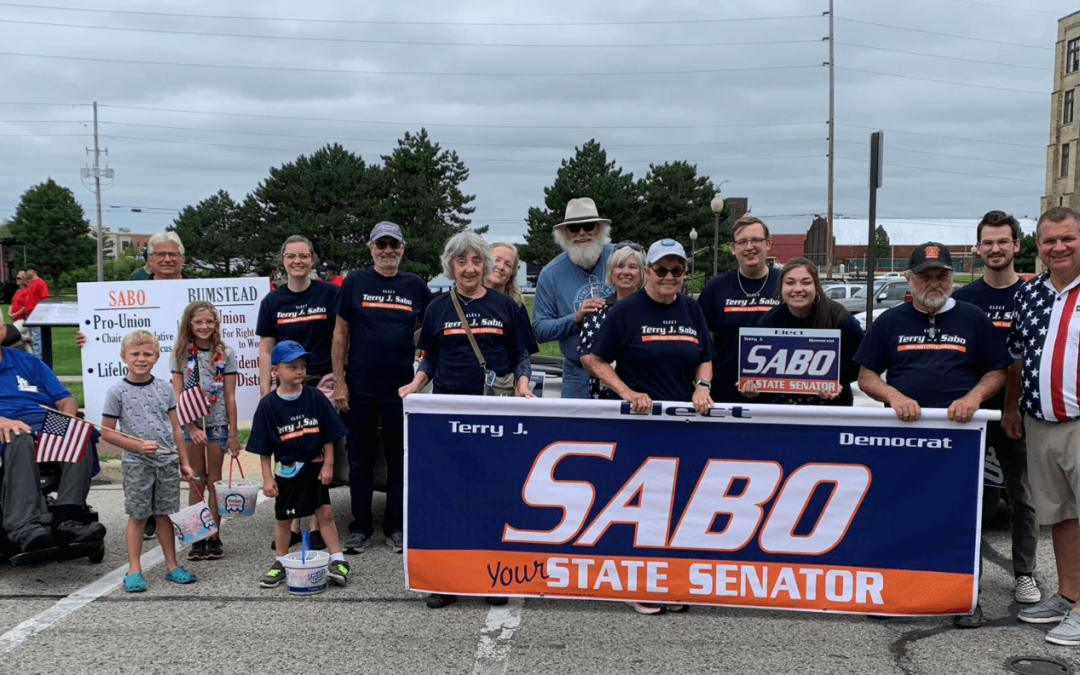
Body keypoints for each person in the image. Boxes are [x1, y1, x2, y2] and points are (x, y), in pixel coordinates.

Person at [854, 242, 1010, 628]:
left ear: (952, 277)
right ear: (910, 279)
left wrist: (973, 398)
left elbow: (998, 370)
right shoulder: (890, 320)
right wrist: (893, 395)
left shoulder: (973, 318)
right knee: (900, 511)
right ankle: (894, 593)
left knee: (960, 516)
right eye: (925, 275)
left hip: (961, 439)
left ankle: (965, 598)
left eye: (941, 275)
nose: (934, 282)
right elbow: (866, 375)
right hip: (904, 437)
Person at [400, 231, 536, 609]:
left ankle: (493, 578)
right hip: (448, 418)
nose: (470, 268)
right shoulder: (438, 309)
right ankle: (444, 580)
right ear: (451, 267)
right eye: (462, 262)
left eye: (476, 261)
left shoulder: (507, 306)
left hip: (495, 416)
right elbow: (428, 358)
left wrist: (523, 386)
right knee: (450, 495)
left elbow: (521, 356)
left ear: (486, 266)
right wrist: (415, 383)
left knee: (493, 493)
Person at [581, 239, 713, 615]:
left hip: (685, 425)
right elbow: (595, 359)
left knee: (681, 505)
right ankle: (637, 585)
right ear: (648, 271)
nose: (669, 276)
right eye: (661, 269)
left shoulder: (692, 309)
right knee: (642, 508)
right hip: (640, 426)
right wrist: (627, 391)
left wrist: (702, 386)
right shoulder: (625, 310)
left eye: (677, 270)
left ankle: (671, 582)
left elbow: (705, 357)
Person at [951, 211, 1040, 608]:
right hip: (972, 413)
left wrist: (1015, 408)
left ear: (1017, 246)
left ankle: (1025, 574)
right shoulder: (965, 299)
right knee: (968, 493)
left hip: (1018, 414)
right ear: (977, 248)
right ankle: (965, 570)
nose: (995, 248)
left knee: (1023, 496)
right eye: (987, 242)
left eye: (1003, 241)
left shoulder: (1034, 294)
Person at [333, 221, 431, 555]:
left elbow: (431, 328)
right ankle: (360, 527)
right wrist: (340, 383)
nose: (388, 251)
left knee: (397, 460)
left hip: (401, 391)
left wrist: (409, 341)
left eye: (394, 245)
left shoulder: (415, 285)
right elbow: (340, 335)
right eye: (381, 245)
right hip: (359, 388)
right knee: (360, 461)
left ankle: (395, 527)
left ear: (403, 247)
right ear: (371, 248)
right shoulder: (355, 281)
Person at [1008, 207, 1080, 646]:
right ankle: (1067, 593)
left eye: (1067, 238)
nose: (1058, 247)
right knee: (1061, 515)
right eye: (1049, 240)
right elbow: (1016, 355)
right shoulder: (1029, 294)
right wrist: (1012, 407)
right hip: (1039, 420)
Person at [257, 235, 339, 550]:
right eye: (291, 256)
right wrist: (267, 389)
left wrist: (340, 379)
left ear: (312, 260)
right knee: (288, 447)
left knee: (317, 447)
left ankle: (317, 525)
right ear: (283, 260)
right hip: (286, 383)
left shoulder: (330, 294)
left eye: (303, 256)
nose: (297, 262)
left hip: (322, 379)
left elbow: (340, 337)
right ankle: (292, 522)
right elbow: (266, 349)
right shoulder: (273, 301)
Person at [249, 341, 350, 590]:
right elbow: (263, 448)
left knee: (324, 513)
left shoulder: (315, 397)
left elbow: (328, 435)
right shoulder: (268, 405)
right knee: (284, 517)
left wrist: (328, 466)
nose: (299, 371)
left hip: (314, 467)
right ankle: (280, 562)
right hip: (286, 470)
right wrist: (267, 478)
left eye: (302, 366)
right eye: (292, 366)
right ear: (276, 371)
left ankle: (338, 560)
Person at [100, 330, 195, 592]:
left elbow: (177, 428)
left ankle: (172, 565)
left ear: (156, 357)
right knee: (139, 516)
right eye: (135, 354)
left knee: (164, 514)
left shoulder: (164, 388)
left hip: (166, 462)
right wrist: (137, 446)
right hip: (136, 463)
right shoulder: (116, 392)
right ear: (123, 357)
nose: (141, 359)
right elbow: (106, 432)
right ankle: (134, 569)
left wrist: (184, 462)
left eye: (147, 354)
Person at [0, 343, 106, 555]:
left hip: (41, 420)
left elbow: (65, 398)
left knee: (78, 431)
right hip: (6, 426)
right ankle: (23, 527)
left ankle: (68, 518)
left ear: (2, 329)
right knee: (18, 437)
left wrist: (66, 417)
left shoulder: (29, 361)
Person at [738, 258, 864, 406]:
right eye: (790, 282)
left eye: (806, 282)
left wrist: (836, 381)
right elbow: (756, 374)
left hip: (831, 410)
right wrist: (751, 387)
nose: (798, 289)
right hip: (783, 413)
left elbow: (862, 364)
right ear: (781, 287)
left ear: (816, 286)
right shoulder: (769, 321)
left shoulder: (840, 319)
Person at [171, 301, 240, 562]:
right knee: (196, 479)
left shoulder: (226, 354)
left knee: (215, 480)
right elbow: (178, 397)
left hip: (217, 424)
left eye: (209, 321)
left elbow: (230, 396)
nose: (204, 326)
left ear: (216, 324)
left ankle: (214, 534)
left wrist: (233, 434)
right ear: (189, 323)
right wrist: (189, 426)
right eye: (198, 322)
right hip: (192, 426)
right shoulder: (180, 354)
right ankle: (197, 534)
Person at [532, 198, 616, 398]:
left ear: (600, 228)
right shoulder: (550, 273)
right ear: (564, 234)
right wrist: (575, 318)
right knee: (578, 429)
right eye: (573, 228)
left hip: (626, 370)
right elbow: (539, 330)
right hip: (578, 375)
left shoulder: (621, 258)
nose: (581, 233)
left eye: (588, 226)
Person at [697, 216, 781, 403]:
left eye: (756, 240)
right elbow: (702, 341)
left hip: (777, 395)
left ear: (768, 243)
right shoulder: (715, 288)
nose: (749, 247)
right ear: (733, 248)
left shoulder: (787, 285)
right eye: (742, 242)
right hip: (723, 392)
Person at [578, 242, 646, 399]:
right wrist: (617, 382)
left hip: (645, 393)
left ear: (643, 273)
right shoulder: (597, 309)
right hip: (604, 395)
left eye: (632, 267)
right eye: (620, 266)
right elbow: (585, 355)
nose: (626, 272)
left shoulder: (654, 310)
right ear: (611, 271)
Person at [485, 241, 539, 356]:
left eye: (508, 265)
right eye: (496, 260)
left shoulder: (516, 307)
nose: (501, 267)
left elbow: (524, 353)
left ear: (512, 273)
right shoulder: (464, 301)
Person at [21, 264, 49, 361]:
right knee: (32, 340)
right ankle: (34, 360)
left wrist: (39, 312)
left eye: (27, 271)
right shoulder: (31, 284)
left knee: (37, 340)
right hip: (29, 316)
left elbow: (44, 298)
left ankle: (39, 361)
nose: (25, 273)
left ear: (33, 271)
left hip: (36, 316)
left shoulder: (40, 283)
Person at [7, 271, 31, 352]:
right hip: (16, 319)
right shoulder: (17, 291)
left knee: (9, 334)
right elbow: (12, 303)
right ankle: (33, 357)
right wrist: (9, 313)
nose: (16, 279)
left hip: (22, 319)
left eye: (19, 278)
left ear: (24, 279)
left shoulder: (27, 291)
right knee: (25, 343)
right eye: (16, 278)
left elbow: (26, 306)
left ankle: (27, 338)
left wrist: (15, 314)